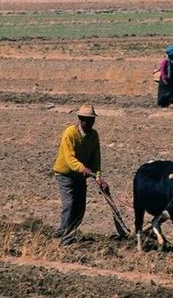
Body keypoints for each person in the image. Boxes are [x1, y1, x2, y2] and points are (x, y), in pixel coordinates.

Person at [52, 104, 108, 245]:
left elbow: (96, 158)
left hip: (80, 175)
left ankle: (68, 232)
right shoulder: (70, 133)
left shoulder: (94, 136)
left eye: (92, 120)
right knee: (69, 204)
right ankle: (65, 236)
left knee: (80, 207)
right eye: (87, 120)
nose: (90, 123)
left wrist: (98, 177)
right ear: (80, 119)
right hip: (65, 174)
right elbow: (69, 158)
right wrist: (83, 168)